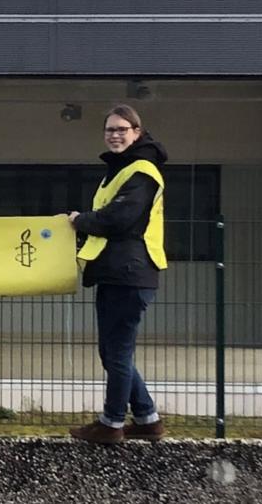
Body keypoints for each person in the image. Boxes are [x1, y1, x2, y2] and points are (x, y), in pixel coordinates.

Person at [67, 104, 168, 444]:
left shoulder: (142, 171)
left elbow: (118, 219)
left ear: (137, 132)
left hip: (130, 272)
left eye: (122, 129)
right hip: (117, 272)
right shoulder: (120, 171)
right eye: (110, 129)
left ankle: (111, 423)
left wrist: (80, 220)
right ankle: (147, 418)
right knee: (113, 352)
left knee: (117, 352)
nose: (115, 134)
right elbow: (110, 216)